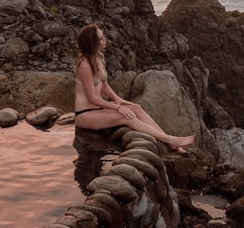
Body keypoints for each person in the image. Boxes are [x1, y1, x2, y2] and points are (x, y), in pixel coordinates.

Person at [73, 23, 193, 152]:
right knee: (126, 117)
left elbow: (104, 85)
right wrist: (117, 108)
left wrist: (118, 100)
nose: (105, 39)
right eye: (101, 38)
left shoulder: (98, 58)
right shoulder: (84, 65)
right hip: (85, 115)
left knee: (136, 108)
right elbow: (92, 98)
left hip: (98, 110)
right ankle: (170, 140)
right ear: (93, 43)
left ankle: (170, 143)